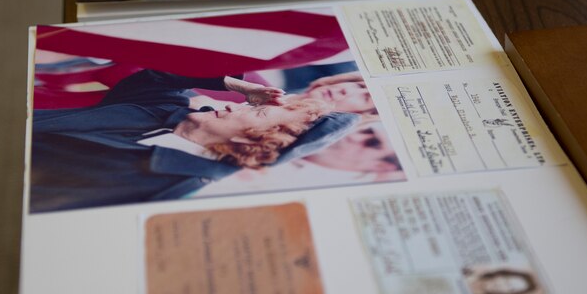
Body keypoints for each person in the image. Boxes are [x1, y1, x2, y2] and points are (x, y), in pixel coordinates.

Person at [30, 69, 357, 213]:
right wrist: (236, 86)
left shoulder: (171, 182)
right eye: (249, 105)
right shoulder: (166, 109)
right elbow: (159, 75)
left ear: (253, 141)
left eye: (255, 114)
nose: (231, 104)